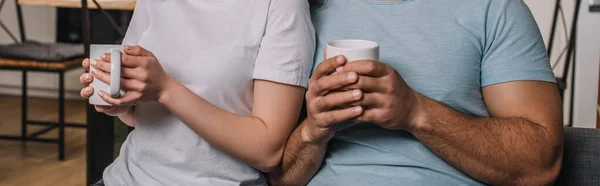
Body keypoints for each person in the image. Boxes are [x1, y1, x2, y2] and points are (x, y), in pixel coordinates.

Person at [268, 0, 564, 185]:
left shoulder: (495, 9)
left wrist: (415, 112)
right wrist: (313, 131)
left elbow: (539, 165)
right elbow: (280, 178)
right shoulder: (303, 13)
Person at [79, 0, 315, 185]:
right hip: (125, 178)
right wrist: (120, 104)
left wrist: (166, 89)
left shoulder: (281, 5)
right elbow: (138, 117)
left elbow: (268, 151)